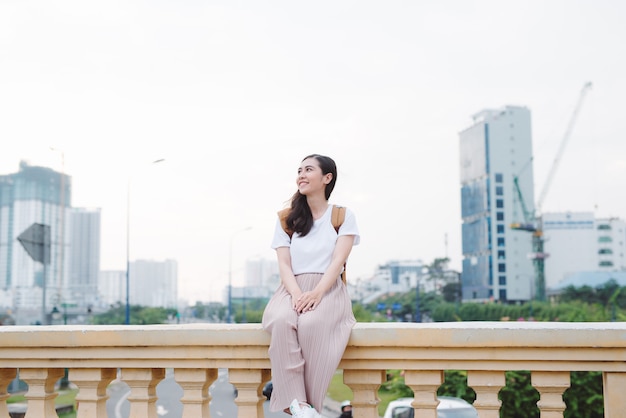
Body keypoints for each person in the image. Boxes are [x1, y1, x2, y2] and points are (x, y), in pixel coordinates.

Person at [262, 154, 359, 418]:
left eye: (308, 170)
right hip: (291, 288)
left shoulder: (342, 216)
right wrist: (296, 294)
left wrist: (316, 293)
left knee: (311, 325)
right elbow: (284, 263)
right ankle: (298, 404)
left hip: (328, 288)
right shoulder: (286, 219)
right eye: (299, 171)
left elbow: (339, 260)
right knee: (281, 320)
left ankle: (305, 405)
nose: (301, 175)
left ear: (327, 178)